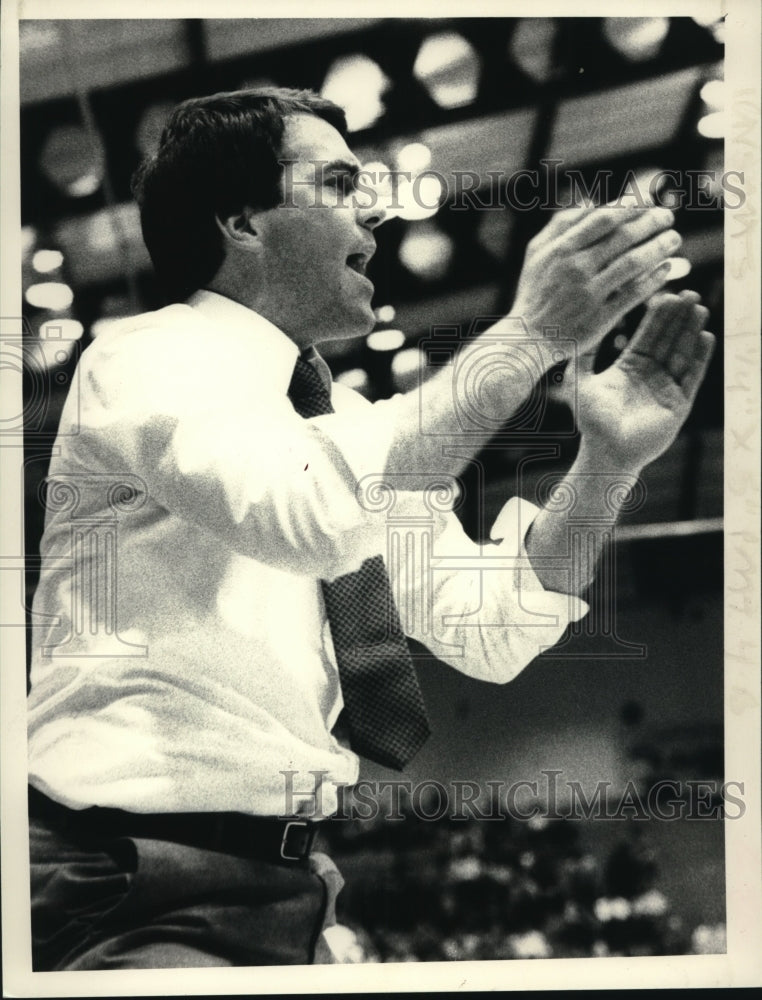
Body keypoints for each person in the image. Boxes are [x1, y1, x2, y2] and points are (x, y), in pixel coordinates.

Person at [26, 87, 714, 970]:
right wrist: (532, 332)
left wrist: (609, 463)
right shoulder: (146, 356)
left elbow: (493, 628)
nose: (376, 209)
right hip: (127, 876)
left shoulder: (346, 420)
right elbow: (310, 515)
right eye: (342, 182)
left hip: (286, 876)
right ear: (242, 220)